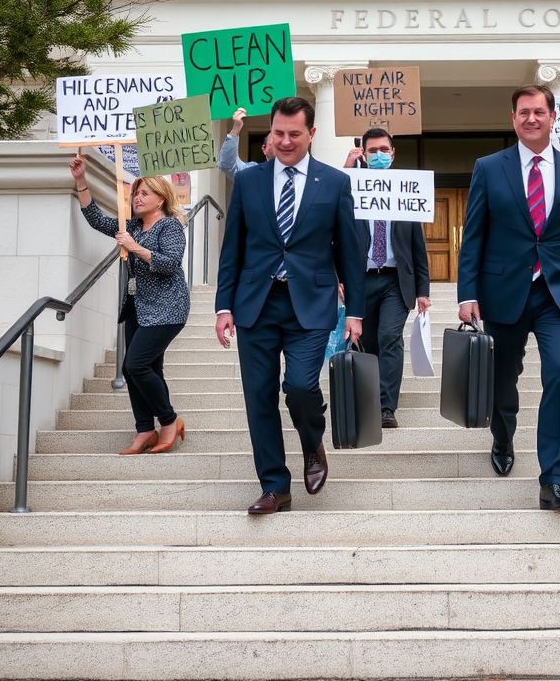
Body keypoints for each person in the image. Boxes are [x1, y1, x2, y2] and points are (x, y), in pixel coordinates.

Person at [215, 96, 364, 515]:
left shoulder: (334, 183)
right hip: (255, 304)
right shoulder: (249, 181)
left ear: (311, 134)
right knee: (258, 397)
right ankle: (275, 487)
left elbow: (350, 253)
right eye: (278, 133)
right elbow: (233, 249)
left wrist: (354, 312)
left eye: (294, 134)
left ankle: (312, 441)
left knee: (300, 386)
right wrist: (223, 306)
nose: (284, 141)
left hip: (311, 305)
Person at [457, 84, 560, 512]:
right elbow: (474, 236)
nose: (531, 118)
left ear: (553, 117)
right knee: (502, 380)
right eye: (523, 112)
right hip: (504, 292)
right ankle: (502, 434)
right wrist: (467, 293)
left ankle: (554, 479)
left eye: (539, 111)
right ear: (513, 119)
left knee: (559, 373)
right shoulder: (488, 167)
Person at [70, 157, 190, 455]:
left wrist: (134, 247)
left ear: (161, 199)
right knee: (149, 368)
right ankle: (145, 430)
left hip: (167, 307)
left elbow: (170, 264)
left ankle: (170, 420)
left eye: (144, 193)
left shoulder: (170, 226)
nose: (137, 197)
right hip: (138, 306)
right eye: (135, 193)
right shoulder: (131, 226)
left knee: (133, 365)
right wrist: (81, 181)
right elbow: (97, 220)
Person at [342, 127, 431, 429]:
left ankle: (386, 407)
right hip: (361, 280)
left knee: (389, 338)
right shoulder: (350, 188)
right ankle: (368, 399)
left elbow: (417, 245)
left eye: (384, 150)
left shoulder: (407, 189)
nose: (378, 155)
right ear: (363, 154)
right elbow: (333, 235)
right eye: (372, 151)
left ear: (393, 154)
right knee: (368, 343)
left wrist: (423, 288)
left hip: (396, 280)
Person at [218, 106, 273, 180]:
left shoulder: (293, 173)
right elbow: (227, 165)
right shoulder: (254, 173)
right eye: (273, 142)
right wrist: (236, 128)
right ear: (264, 149)